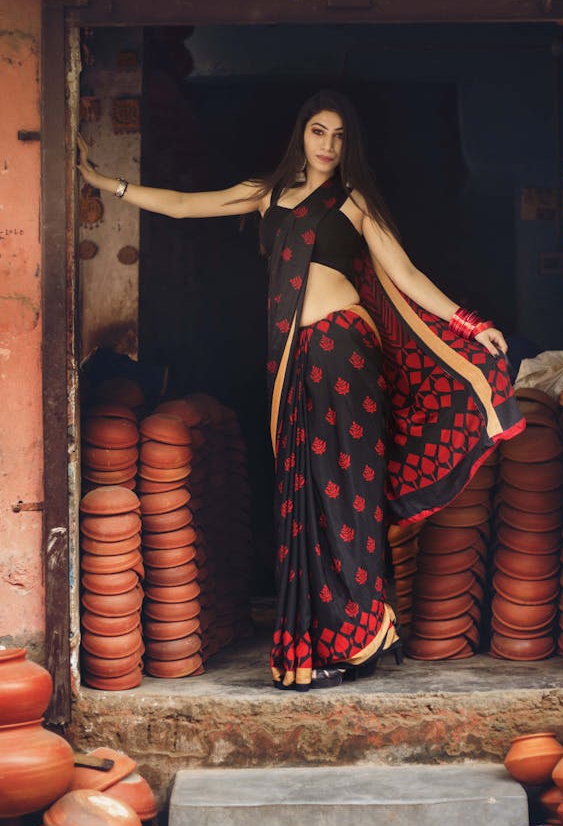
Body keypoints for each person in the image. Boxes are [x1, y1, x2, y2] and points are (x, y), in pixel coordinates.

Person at [77, 89, 524, 692]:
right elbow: (183, 206)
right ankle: (316, 643)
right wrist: (105, 182)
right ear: (301, 134)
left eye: (339, 136)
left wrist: (469, 324)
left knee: (347, 492)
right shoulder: (267, 193)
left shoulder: (354, 201)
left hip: (345, 355)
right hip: (294, 359)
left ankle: (358, 632)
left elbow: (405, 274)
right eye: (319, 132)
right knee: (302, 494)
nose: (328, 145)